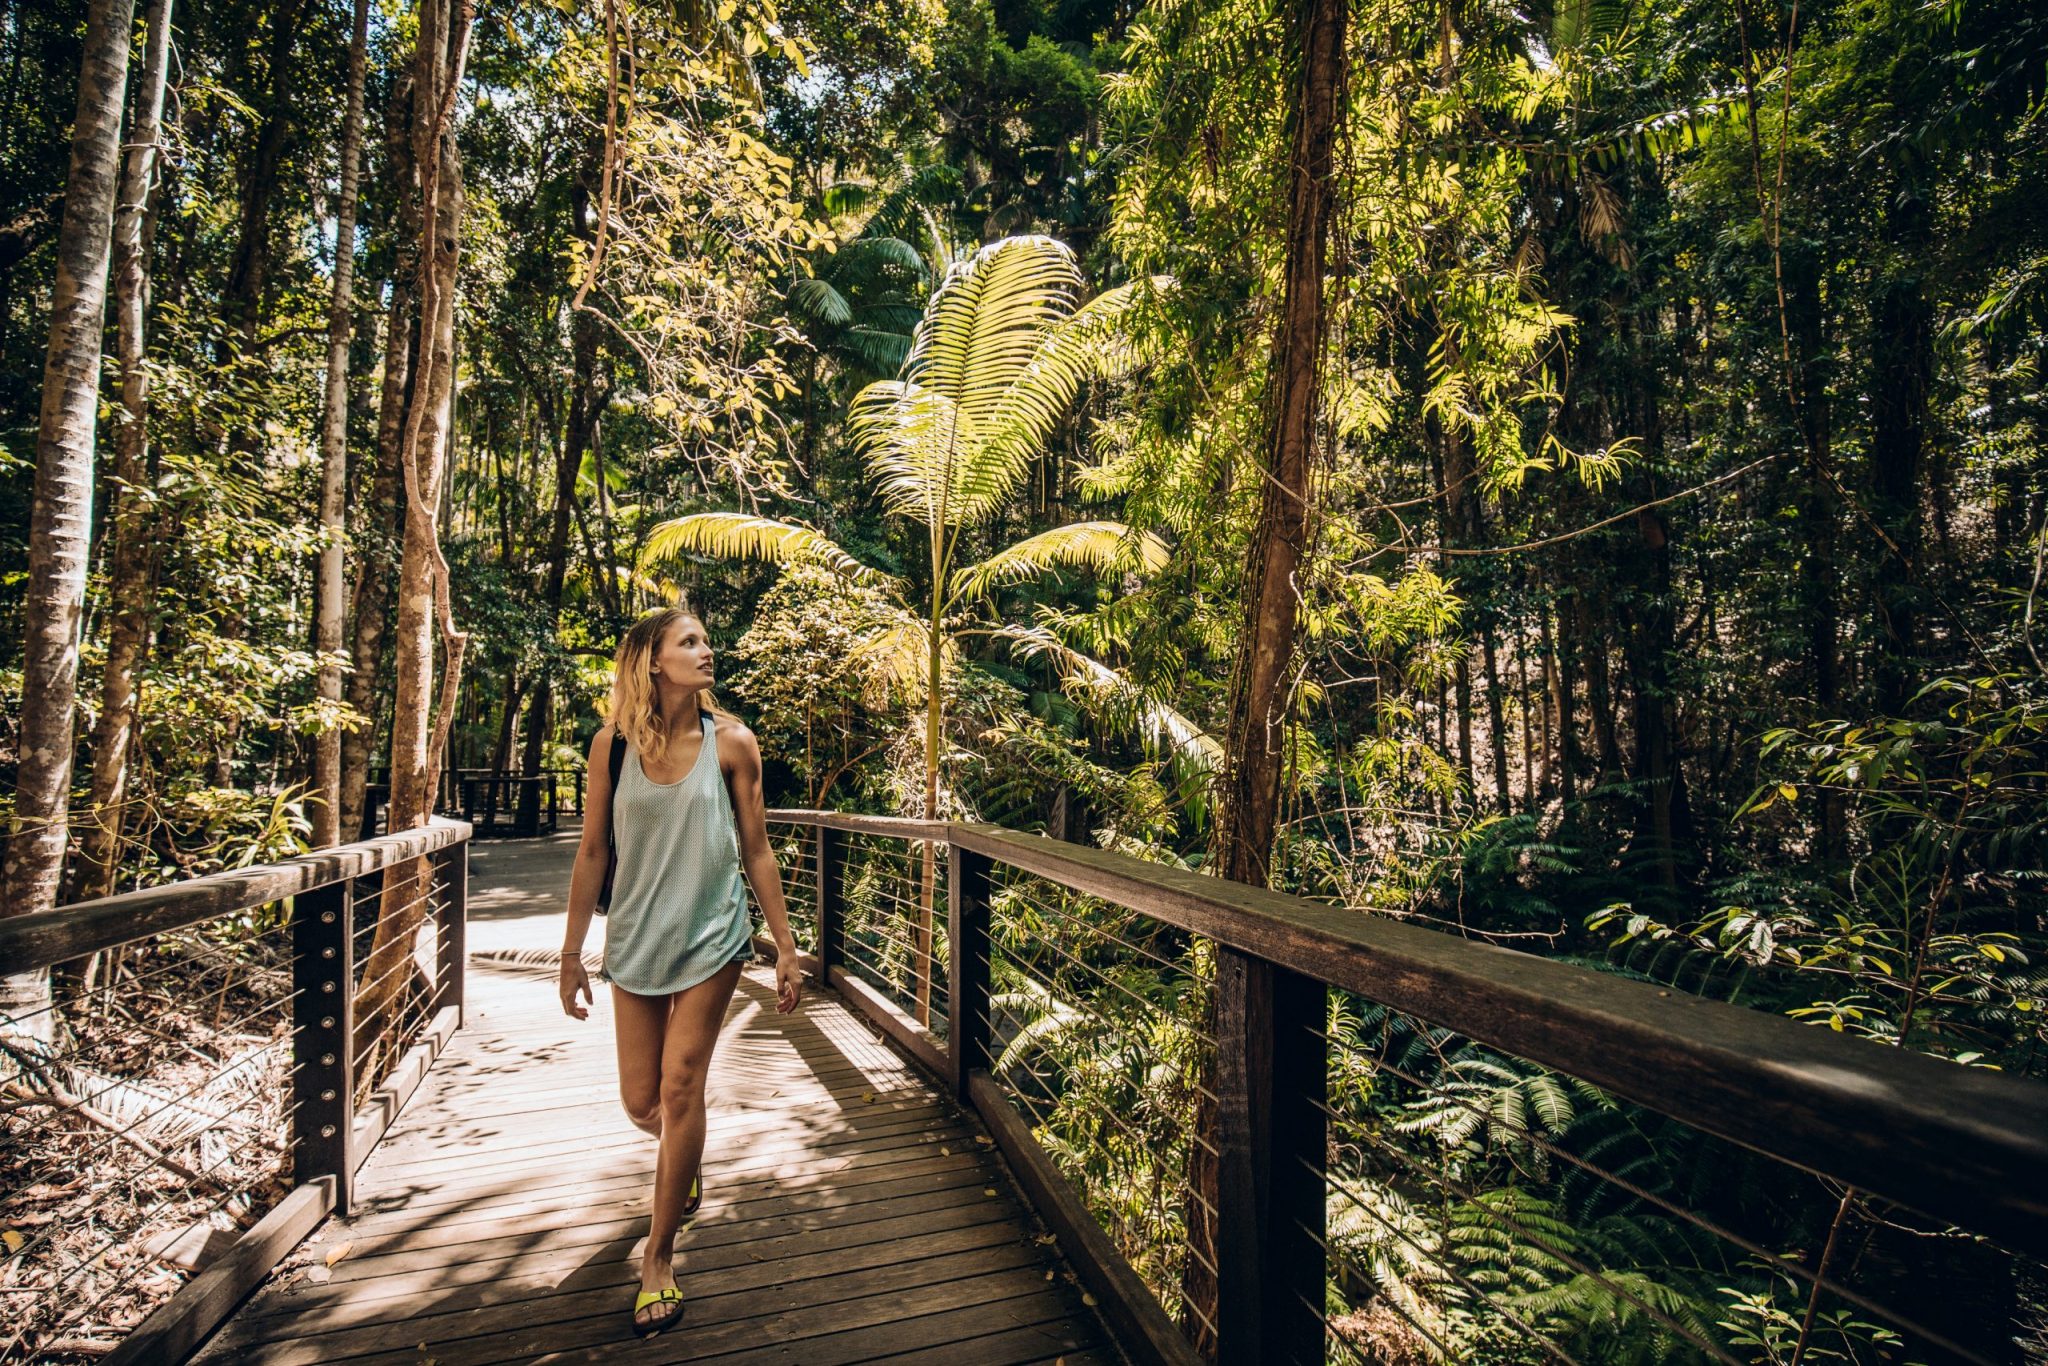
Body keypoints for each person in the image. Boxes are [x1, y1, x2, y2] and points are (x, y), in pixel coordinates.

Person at [556, 606, 803, 1339]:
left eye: (706, 636)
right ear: (652, 662)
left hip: (712, 935)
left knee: (680, 1082)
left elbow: (757, 849)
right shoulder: (612, 747)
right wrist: (570, 954)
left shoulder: (733, 743)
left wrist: (785, 945)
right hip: (635, 941)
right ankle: (682, 1156)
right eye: (688, 641)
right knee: (642, 1102)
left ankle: (659, 1257)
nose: (706, 648)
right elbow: (593, 852)